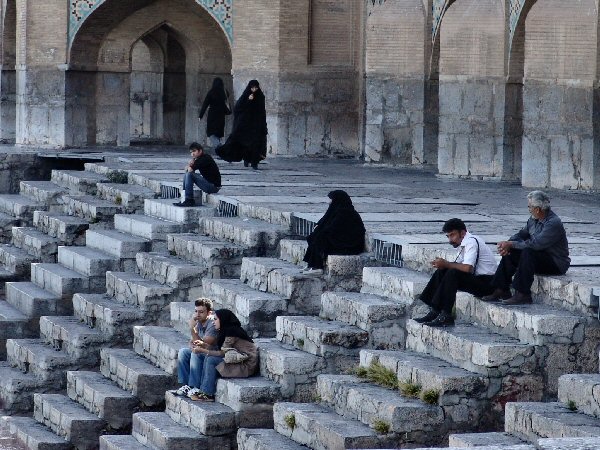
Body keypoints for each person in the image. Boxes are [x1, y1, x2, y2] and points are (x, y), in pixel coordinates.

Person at [482, 190, 570, 305]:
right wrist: (508, 244)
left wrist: (512, 244)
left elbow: (536, 244)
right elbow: (522, 234)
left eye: (530, 207)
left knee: (528, 251)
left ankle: (523, 294)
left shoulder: (553, 223)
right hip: (540, 257)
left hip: (556, 262)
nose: (529, 209)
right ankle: (501, 289)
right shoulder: (533, 219)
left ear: (537, 209)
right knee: (513, 250)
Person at [414, 218, 498, 327]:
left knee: (452, 273)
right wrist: (444, 264)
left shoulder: (471, 242)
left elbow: (468, 268)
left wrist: (447, 263)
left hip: (488, 284)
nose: (450, 240)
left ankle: (446, 314)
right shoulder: (463, 243)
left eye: (452, 235)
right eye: (448, 236)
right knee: (444, 270)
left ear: (462, 233)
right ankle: (435, 311)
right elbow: (458, 265)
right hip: (478, 280)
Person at [187, 309, 258, 402]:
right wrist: (203, 344)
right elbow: (220, 349)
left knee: (211, 360)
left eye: (216, 319)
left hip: (245, 365)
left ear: (223, 319)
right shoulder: (226, 329)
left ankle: (207, 393)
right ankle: (202, 389)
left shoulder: (231, 332)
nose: (213, 322)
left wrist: (203, 350)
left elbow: (222, 353)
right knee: (208, 357)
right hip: (236, 359)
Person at [302, 190, 366, 275]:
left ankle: (318, 267)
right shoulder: (336, 210)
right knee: (314, 236)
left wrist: (321, 230)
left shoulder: (346, 213)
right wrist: (318, 227)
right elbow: (325, 221)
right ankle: (311, 264)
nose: (330, 202)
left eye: (331, 199)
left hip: (350, 244)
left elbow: (334, 228)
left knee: (321, 237)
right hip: (340, 239)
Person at [216, 79, 267, 169]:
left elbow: (262, 112)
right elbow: (238, 109)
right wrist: (248, 100)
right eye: (252, 88)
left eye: (256, 88)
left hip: (256, 125)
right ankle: (246, 159)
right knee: (245, 144)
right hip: (245, 125)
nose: (254, 90)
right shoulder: (245, 96)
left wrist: (263, 125)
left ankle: (254, 162)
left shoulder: (261, 97)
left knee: (256, 144)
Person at [174, 299, 218, 399]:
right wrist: (192, 344)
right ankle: (187, 386)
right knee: (183, 352)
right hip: (203, 351)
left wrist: (192, 329)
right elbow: (193, 341)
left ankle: (195, 387)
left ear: (209, 312)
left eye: (201, 312)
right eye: (196, 311)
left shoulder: (212, 324)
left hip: (212, 354)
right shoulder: (199, 321)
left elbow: (204, 344)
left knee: (196, 353)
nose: (197, 314)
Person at [173, 142, 221, 207]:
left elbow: (189, 170)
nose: (192, 154)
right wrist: (191, 164)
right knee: (188, 174)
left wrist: (191, 164)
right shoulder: (199, 159)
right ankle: (185, 198)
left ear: (200, 151)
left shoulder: (205, 158)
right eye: (191, 152)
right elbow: (187, 170)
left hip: (213, 187)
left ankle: (189, 200)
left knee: (189, 174)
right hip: (209, 185)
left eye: (194, 151)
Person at [199, 77, 231, 148]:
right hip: (221, 115)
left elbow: (205, 104)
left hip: (212, 115)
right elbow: (227, 101)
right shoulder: (225, 92)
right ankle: (219, 151)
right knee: (218, 134)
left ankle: (219, 148)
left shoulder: (211, 92)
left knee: (211, 133)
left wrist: (200, 115)